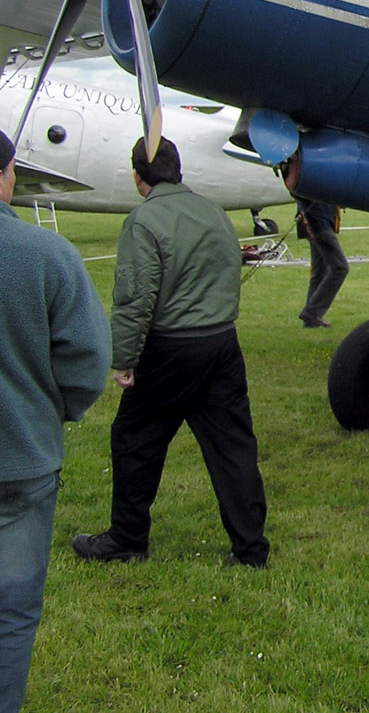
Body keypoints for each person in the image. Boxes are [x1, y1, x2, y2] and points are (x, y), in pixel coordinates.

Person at [72, 137, 271, 567]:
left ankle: (126, 539)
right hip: (221, 342)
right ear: (178, 170)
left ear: (137, 177)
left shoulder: (144, 221)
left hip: (171, 348)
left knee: (135, 439)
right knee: (232, 447)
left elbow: (135, 298)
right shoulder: (212, 210)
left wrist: (124, 360)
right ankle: (251, 549)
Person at [0, 129, 110, 713]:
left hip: (25, 458)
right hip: (23, 460)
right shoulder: (48, 257)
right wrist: (54, 411)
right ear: (7, 174)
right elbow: (88, 359)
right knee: (11, 614)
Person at [296, 197, 347, 328]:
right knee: (340, 267)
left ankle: (311, 320)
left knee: (320, 271)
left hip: (319, 223)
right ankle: (312, 312)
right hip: (317, 225)